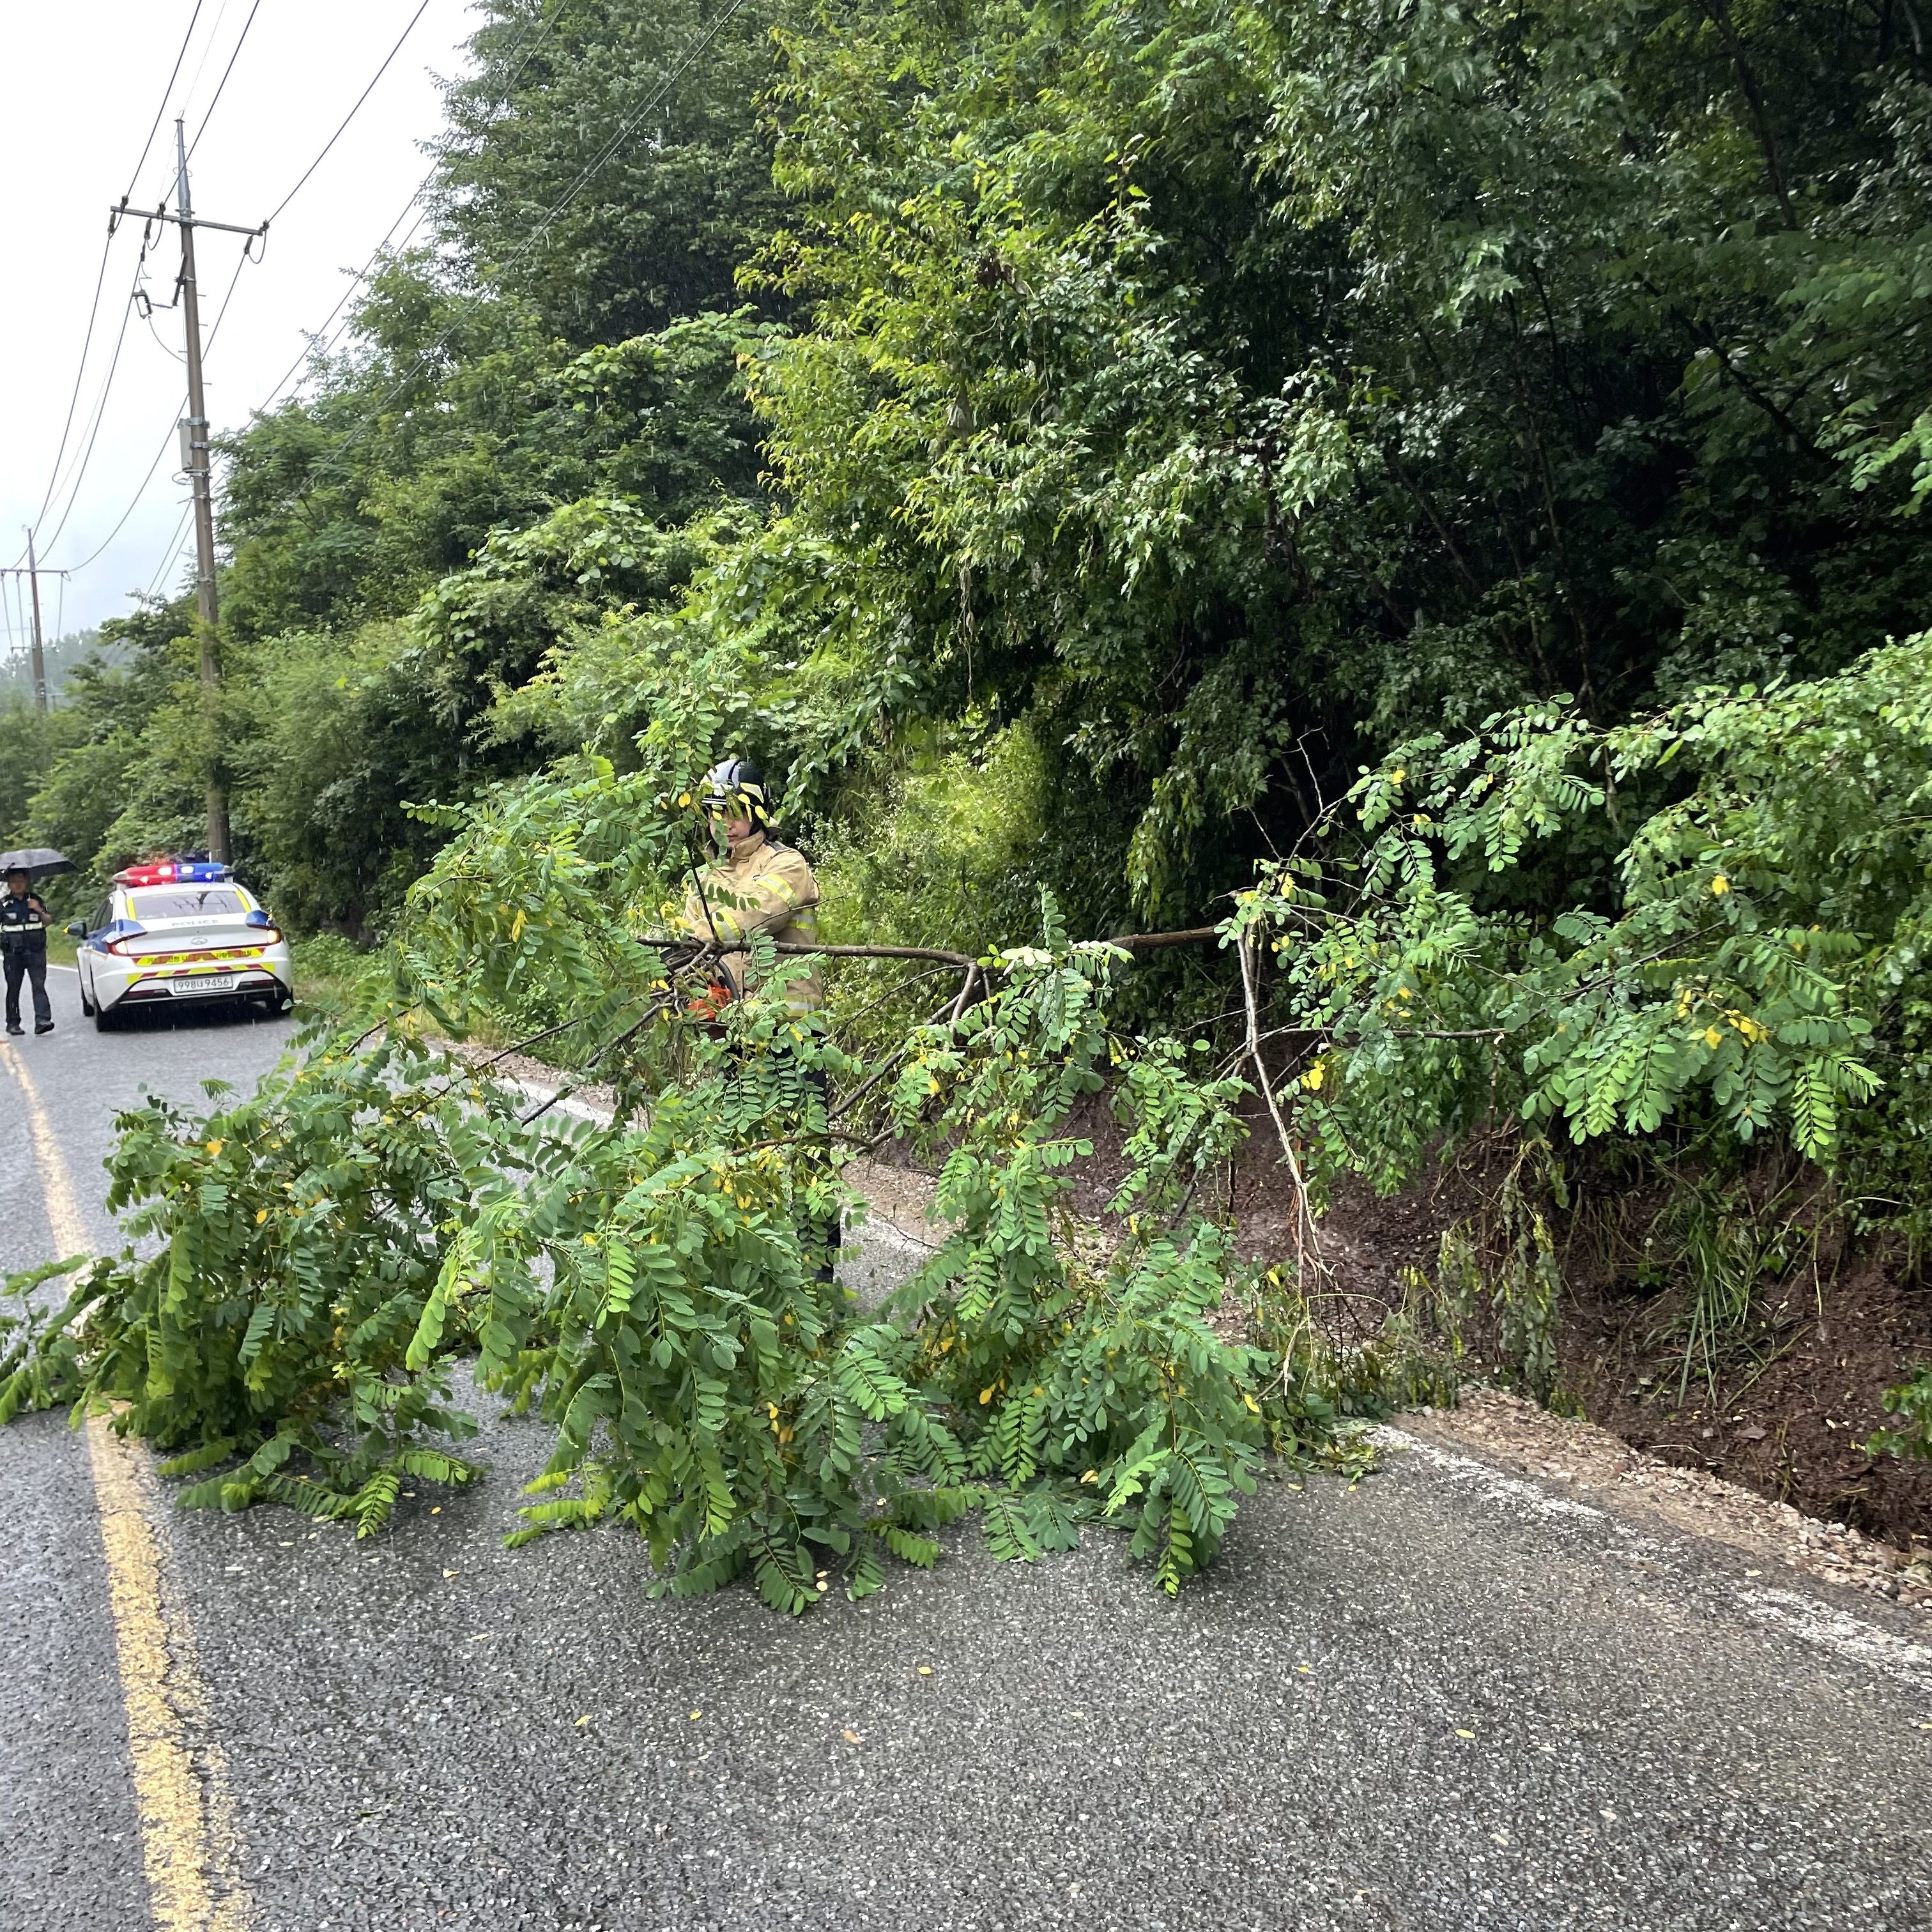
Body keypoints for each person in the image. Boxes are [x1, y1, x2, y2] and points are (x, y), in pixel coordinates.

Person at [680, 757, 824, 1014]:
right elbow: (691, 958)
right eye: (716, 813)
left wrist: (691, 938)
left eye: (735, 813)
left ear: (757, 813)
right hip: (729, 1026)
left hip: (788, 1025)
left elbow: (755, 913)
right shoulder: (703, 881)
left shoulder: (787, 863)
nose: (726, 824)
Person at [0, 870, 53, 1036]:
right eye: (14, 881)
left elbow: (48, 921)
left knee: (39, 985)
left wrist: (38, 910)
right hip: (13, 954)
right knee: (13, 988)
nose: (18, 884)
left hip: (36, 951)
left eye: (21, 880)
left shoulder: (36, 900)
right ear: (8, 884)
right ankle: (13, 1023)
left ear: (26, 881)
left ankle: (42, 1021)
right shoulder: (3, 904)